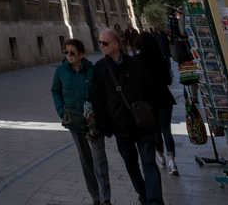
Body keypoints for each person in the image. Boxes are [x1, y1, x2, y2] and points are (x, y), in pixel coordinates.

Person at [90, 28, 164, 205]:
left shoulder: (135, 64)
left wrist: (151, 114)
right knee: (131, 165)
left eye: (105, 43)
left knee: (149, 163)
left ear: (116, 44)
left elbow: (149, 91)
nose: (101, 46)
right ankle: (143, 195)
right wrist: (104, 126)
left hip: (142, 124)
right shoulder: (100, 69)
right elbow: (97, 100)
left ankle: (154, 201)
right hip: (120, 127)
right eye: (99, 42)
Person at [52, 38, 110, 205]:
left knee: (100, 160)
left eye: (72, 52)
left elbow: (100, 93)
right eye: (66, 52)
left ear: (81, 54)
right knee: (85, 161)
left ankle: (106, 197)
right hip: (74, 122)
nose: (69, 56)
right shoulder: (61, 71)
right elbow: (55, 91)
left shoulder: (91, 70)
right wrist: (61, 110)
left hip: (93, 122)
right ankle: (95, 197)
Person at [138, 6, 181, 177]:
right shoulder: (162, 60)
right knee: (166, 130)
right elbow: (169, 80)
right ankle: (172, 161)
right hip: (164, 98)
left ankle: (161, 157)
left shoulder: (137, 62)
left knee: (155, 130)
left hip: (149, 102)